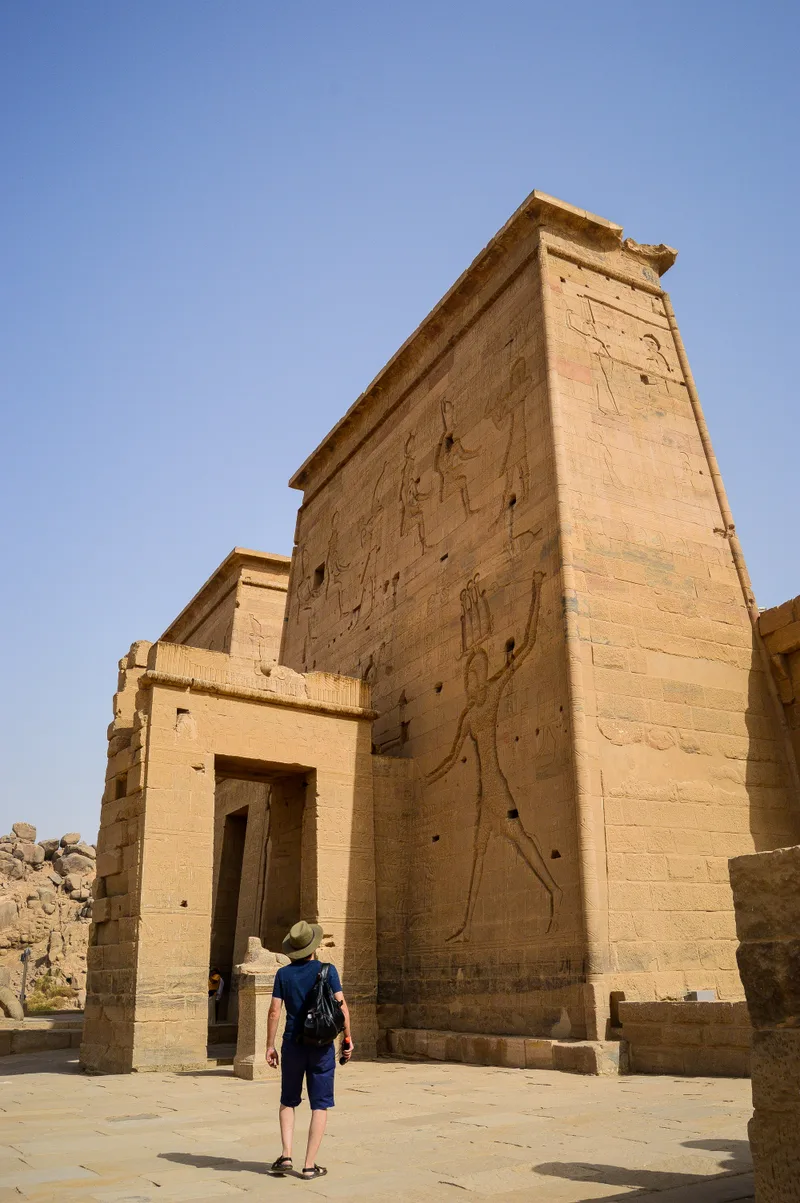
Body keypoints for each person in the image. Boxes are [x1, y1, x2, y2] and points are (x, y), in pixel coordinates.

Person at [266, 920, 353, 1180]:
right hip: (322, 1045)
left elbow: (274, 1011)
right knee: (320, 1104)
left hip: (293, 1043)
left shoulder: (284, 975)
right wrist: (347, 1038)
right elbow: (341, 1007)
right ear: (313, 946)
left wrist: (269, 1045)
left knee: (287, 1100)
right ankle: (309, 1165)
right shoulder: (328, 970)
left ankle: (286, 1154)